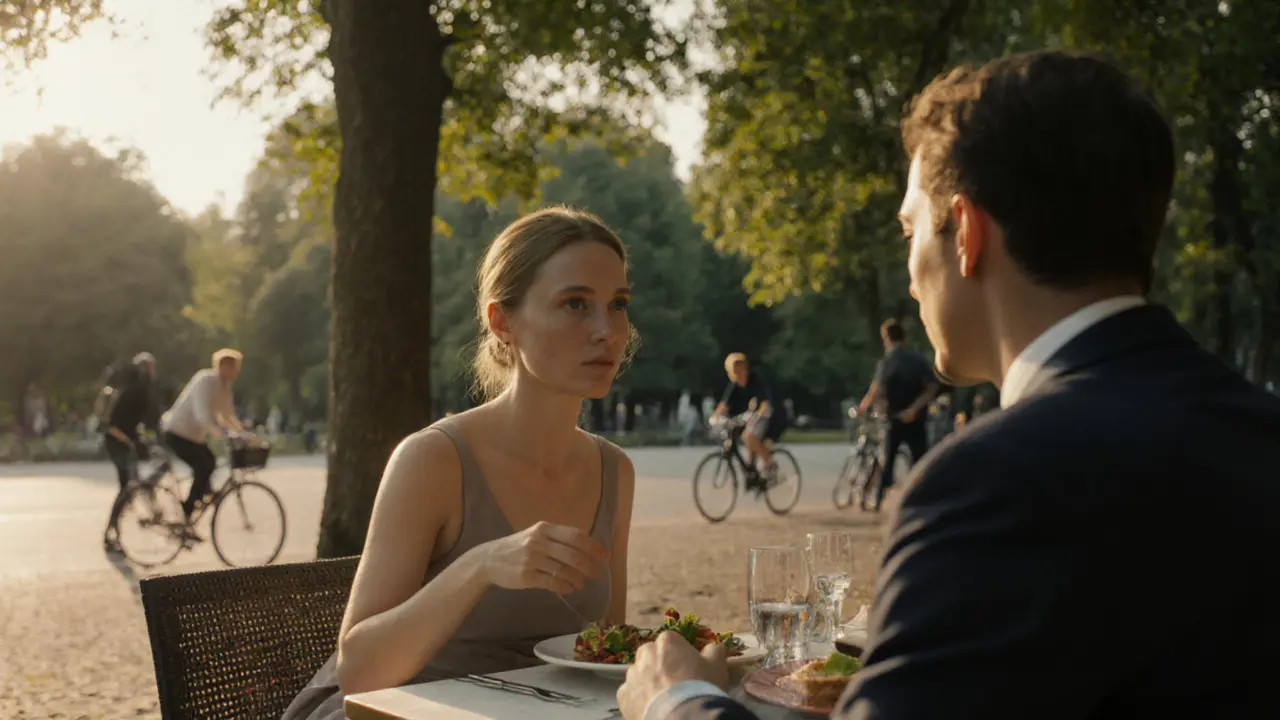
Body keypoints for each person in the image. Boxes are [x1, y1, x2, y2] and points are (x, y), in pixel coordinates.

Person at [619, 49, 1280, 720]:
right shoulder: (1258, 427)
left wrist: (678, 700)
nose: (909, 274)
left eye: (910, 229)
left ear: (965, 232)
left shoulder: (993, 481)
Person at [282, 206, 638, 720]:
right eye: (576, 304)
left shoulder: (614, 470)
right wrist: (479, 565)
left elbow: (606, 657)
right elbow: (357, 671)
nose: (607, 329)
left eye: (618, 303)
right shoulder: (433, 459)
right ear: (502, 322)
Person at [160, 348, 249, 538]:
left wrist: (245, 435)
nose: (237, 372)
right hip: (177, 433)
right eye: (234, 367)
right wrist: (221, 435)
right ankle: (187, 510)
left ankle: (198, 501)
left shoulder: (224, 387)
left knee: (210, 462)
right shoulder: (205, 380)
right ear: (223, 366)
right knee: (203, 465)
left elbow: (228, 415)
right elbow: (202, 415)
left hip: (194, 437)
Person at [856, 318, 937, 510]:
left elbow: (876, 388)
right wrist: (914, 409)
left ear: (886, 338)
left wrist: (863, 406)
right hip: (915, 418)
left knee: (888, 460)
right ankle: (923, 498)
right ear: (904, 337)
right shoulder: (918, 359)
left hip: (893, 418)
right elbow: (931, 387)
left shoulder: (887, 362)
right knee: (920, 461)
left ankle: (878, 501)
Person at [100, 352, 160, 553]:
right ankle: (111, 533)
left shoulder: (139, 391)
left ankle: (117, 529)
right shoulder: (133, 391)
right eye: (149, 368)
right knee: (126, 488)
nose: (151, 372)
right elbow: (112, 425)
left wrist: (140, 437)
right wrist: (129, 441)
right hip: (118, 444)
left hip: (125, 444)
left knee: (131, 486)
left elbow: (132, 422)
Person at [713, 353, 788, 486]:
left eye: (738, 367)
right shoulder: (735, 385)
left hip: (768, 415)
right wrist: (715, 417)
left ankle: (769, 463)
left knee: (749, 436)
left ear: (744, 367)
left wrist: (757, 415)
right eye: (733, 369)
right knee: (742, 435)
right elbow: (724, 404)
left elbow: (765, 403)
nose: (736, 372)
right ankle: (751, 470)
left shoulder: (756, 380)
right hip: (749, 417)